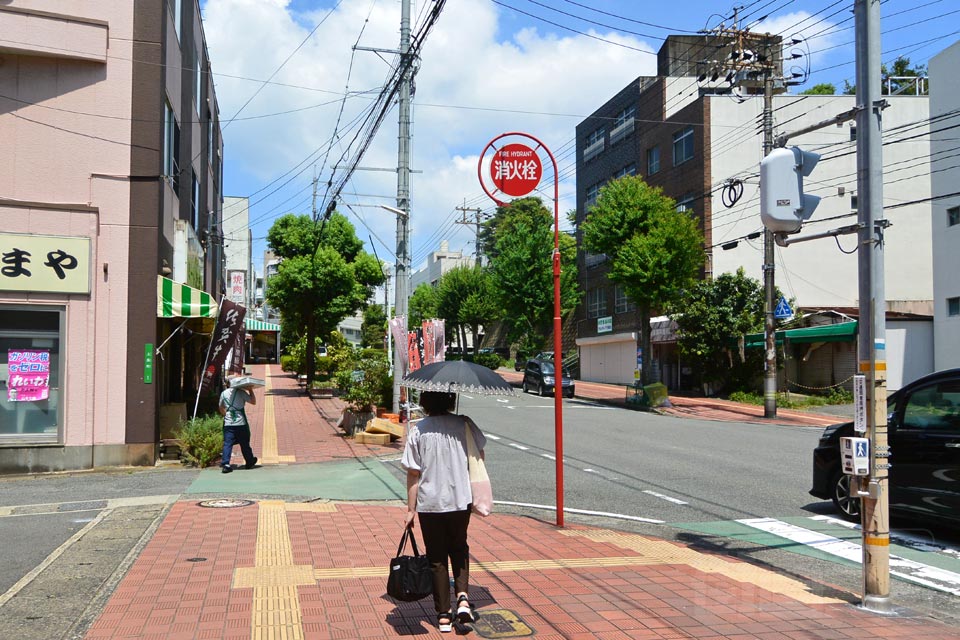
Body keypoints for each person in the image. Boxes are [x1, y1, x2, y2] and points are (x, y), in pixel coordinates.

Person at [401, 391, 486, 633]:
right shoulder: (465, 424)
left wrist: (410, 510)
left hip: (430, 504)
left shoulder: (418, 430)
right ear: (450, 401)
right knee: (459, 548)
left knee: (436, 558)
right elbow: (479, 455)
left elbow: (413, 473)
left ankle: (443, 616)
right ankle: (462, 598)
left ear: (425, 403)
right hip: (460, 500)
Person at [218, 377, 258, 473]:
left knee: (228, 443)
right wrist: (250, 390)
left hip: (228, 423)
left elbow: (221, 407)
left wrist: (226, 415)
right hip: (241, 422)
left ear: (227, 384)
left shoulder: (223, 393)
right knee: (244, 443)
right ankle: (249, 461)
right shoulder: (241, 392)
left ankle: (226, 464)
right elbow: (253, 402)